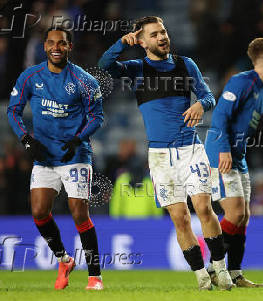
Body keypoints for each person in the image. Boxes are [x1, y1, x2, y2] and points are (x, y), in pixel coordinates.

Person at [98, 16, 232, 290]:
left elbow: (208, 96)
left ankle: (221, 269)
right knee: (180, 218)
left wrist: (200, 106)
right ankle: (202, 277)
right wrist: (119, 45)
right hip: (160, 158)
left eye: (163, 31)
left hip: (191, 149)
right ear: (143, 41)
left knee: (204, 208)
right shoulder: (136, 69)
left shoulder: (186, 64)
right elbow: (103, 68)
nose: (162, 37)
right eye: (154, 34)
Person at [7, 26, 104, 290]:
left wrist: (78, 139)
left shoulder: (85, 80)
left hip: (75, 155)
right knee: (38, 211)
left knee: (78, 211)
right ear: (45, 46)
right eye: (51, 43)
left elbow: (97, 116)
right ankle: (64, 259)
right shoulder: (30, 76)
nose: (56, 47)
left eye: (61, 43)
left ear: (69, 47)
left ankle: (95, 277)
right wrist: (26, 140)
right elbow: (13, 110)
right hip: (45, 157)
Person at [205, 37, 263, 287]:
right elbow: (219, 116)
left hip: (238, 157)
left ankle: (236, 274)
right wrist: (223, 151)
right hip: (221, 153)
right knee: (235, 212)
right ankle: (214, 269)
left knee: (243, 216)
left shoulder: (261, 90)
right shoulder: (242, 81)